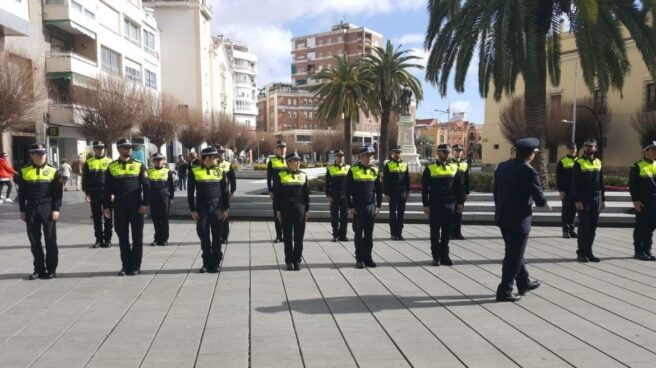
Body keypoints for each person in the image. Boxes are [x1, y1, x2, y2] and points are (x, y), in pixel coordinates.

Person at [494, 138, 549, 302]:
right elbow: (539, 198)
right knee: (513, 256)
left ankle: (523, 282)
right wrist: (544, 203)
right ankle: (504, 290)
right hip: (519, 219)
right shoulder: (529, 171)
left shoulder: (502, 166)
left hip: (503, 217)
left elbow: (496, 193)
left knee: (515, 252)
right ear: (531, 155)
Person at [103, 139, 150, 276]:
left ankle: (135, 266)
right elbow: (107, 189)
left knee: (137, 238)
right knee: (122, 238)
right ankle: (125, 266)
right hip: (119, 207)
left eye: (129, 147)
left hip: (136, 206)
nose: (128, 150)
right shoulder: (111, 167)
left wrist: (145, 204)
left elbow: (146, 186)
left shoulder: (139, 165)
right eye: (125, 147)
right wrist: (106, 206)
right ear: (119, 149)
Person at [18, 144, 63, 280]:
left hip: (47, 207)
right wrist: (22, 210)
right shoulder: (24, 171)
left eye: (43, 153)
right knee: (34, 240)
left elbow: (58, 193)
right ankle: (38, 269)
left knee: (50, 239)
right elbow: (22, 193)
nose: (41, 156)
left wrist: (56, 209)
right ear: (31, 155)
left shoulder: (53, 171)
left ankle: (51, 269)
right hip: (31, 208)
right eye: (38, 153)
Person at [188, 147, 230, 273]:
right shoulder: (194, 171)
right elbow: (190, 193)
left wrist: (226, 209)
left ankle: (216, 263)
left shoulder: (220, 170)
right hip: (202, 208)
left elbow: (225, 191)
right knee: (203, 235)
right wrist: (193, 210)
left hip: (217, 207)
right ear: (207, 158)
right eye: (215, 157)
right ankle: (206, 262)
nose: (217, 159)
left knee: (217, 236)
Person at [422, 144, 464, 266]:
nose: (447, 154)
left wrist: (460, 202)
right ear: (438, 153)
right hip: (435, 204)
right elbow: (425, 189)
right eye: (444, 152)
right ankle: (436, 256)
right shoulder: (430, 168)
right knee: (435, 232)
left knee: (447, 231)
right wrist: (425, 205)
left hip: (450, 204)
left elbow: (459, 187)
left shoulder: (454, 167)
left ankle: (445, 256)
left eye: (448, 152)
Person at [345, 145, 382, 269]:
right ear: (361, 156)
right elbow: (347, 190)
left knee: (369, 235)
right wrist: (350, 206)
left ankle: (368, 258)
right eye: (367, 155)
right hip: (358, 208)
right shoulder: (353, 170)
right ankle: (359, 259)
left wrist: (378, 206)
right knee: (358, 234)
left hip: (371, 207)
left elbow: (379, 190)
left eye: (371, 155)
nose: (369, 158)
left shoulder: (375, 170)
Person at [273, 152, 310, 271]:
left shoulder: (303, 175)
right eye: (295, 160)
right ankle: (289, 261)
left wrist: (307, 210)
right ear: (288, 162)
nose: (298, 162)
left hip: (300, 209)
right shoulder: (281, 175)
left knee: (299, 237)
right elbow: (277, 195)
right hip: (285, 209)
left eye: (299, 160)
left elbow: (306, 195)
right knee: (287, 237)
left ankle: (297, 260)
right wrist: (277, 210)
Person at [572, 138, 605, 263]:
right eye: (587, 146)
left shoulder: (598, 162)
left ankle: (589, 251)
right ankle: (581, 252)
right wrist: (577, 200)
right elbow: (575, 183)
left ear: (595, 148)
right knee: (584, 226)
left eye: (591, 146)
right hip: (584, 199)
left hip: (597, 198)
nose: (589, 148)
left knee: (592, 227)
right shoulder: (578, 163)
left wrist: (603, 199)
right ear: (583, 148)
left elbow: (601, 183)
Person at [82, 142, 113, 248]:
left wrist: (113, 193)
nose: (100, 150)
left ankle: (108, 239)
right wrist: (87, 193)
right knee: (96, 217)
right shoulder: (89, 162)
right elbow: (85, 179)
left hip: (107, 193)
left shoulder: (110, 162)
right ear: (94, 150)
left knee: (108, 216)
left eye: (102, 148)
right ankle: (99, 239)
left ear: (104, 149)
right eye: (97, 148)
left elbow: (114, 179)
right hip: (94, 193)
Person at [629, 141, 656, 261]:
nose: (655, 152)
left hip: (654, 202)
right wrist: (635, 200)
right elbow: (632, 185)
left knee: (651, 227)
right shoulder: (637, 166)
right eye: (652, 150)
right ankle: (638, 251)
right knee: (641, 226)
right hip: (643, 202)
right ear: (645, 152)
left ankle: (647, 250)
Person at [383, 145, 410, 241]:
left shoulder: (404, 164)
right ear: (392, 154)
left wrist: (407, 191)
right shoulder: (388, 165)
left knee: (401, 214)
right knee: (392, 214)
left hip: (402, 193)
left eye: (398, 152)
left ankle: (399, 233)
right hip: (392, 193)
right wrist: (386, 193)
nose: (397, 154)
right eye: (395, 152)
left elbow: (407, 179)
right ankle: (393, 233)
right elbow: (385, 180)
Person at [148, 153, 175, 246]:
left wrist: (171, 197)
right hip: (153, 197)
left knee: (164, 218)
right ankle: (157, 238)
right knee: (155, 218)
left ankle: (164, 239)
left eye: (160, 160)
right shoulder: (149, 171)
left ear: (163, 161)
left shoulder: (168, 171)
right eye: (157, 160)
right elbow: (147, 186)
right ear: (154, 161)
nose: (159, 162)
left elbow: (171, 186)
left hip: (164, 197)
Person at [325, 150, 350, 242]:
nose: (340, 158)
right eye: (338, 156)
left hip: (345, 196)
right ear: (335, 157)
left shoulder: (348, 168)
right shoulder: (330, 168)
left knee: (344, 216)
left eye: (341, 156)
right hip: (334, 196)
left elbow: (351, 184)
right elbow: (327, 184)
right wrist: (328, 196)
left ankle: (343, 235)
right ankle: (335, 235)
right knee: (334, 217)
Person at [556, 142, 579, 239]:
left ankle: (572, 229)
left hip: (577, 191)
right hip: (566, 190)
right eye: (570, 148)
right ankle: (565, 230)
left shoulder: (579, 161)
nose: (572, 150)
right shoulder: (562, 161)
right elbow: (559, 177)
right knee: (566, 211)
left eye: (573, 148)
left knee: (574, 211)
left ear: (576, 149)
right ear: (567, 149)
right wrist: (561, 190)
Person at [267, 140, 288, 243]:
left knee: (287, 214)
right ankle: (279, 235)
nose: (282, 150)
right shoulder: (272, 161)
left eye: (284, 148)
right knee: (277, 214)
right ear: (277, 149)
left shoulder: (290, 160)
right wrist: (270, 190)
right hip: (276, 192)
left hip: (287, 192)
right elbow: (268, 177)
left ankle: (286, 234)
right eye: (280, 148)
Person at [217, 145, 236, 244]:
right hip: (215, 193)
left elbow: (232, 178)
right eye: (218, 152)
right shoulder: (213, 164)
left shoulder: (227, 164)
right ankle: (218, 235)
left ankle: (224, 236)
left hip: (224, 192)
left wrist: (232, 191)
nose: (220, 154)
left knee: (225, 214)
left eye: (221, 152)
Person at [450, 144, 470, 240]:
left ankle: (458, 232)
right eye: (457, 150)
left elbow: (467, 179)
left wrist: (467, 192)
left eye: (460, 151)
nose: (459, 152)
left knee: (459, 213)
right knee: (451, 213)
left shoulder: (464, 164)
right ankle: (451, 233)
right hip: (451, 192)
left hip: (461, 192)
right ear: (452, 152)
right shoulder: (449, 163)